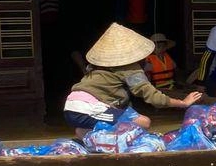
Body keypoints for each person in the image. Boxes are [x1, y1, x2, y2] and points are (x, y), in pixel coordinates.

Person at [63, 23, 202, 138]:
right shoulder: (130, 68)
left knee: (92, 128)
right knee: (144, 122)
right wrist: (182, 103)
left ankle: (86, 134)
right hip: (87, 108)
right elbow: (152, 97)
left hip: (73, 107)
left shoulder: (99, 67)